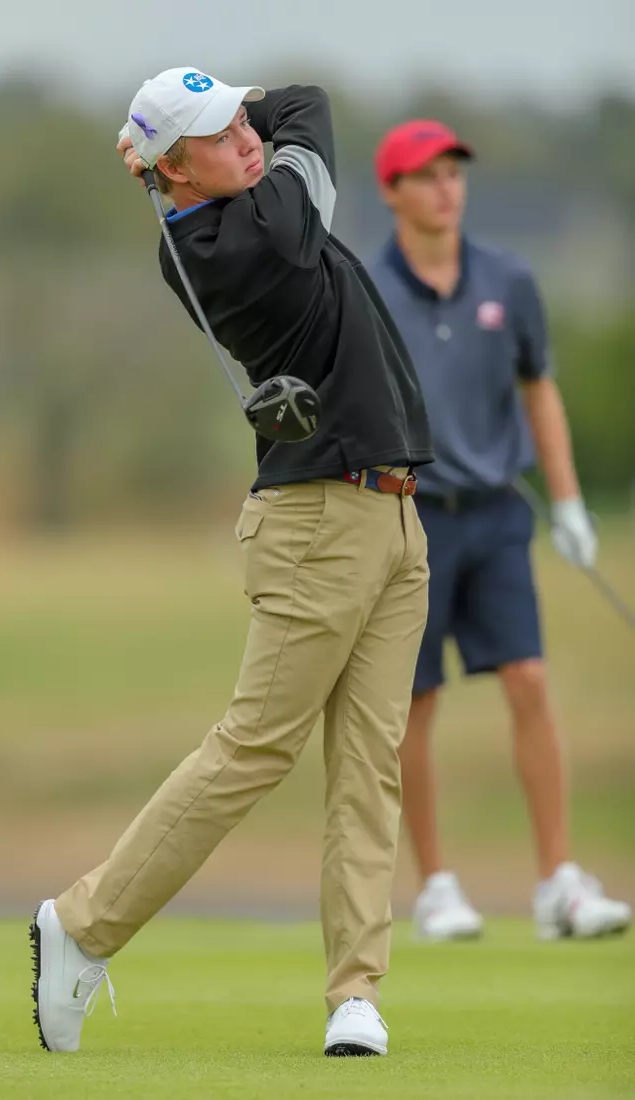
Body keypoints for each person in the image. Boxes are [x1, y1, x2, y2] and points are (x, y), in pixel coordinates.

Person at [29, 68, 433, 1057]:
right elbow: (312, 107)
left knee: (368, 767)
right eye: (216, 137)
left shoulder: (237, 203)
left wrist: (215, 113)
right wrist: (227, 122)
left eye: (237, 123)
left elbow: (286, 103)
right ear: (175, 171)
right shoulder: (246, 237)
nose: (247, 139)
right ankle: (80, 925)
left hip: (390, 514)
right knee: (254, 746)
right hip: (315, 524)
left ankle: (354, 994)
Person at [365, 119, 632, 943]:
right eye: (426, 175)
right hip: (407, 524)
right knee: (416, 702)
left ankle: (558, 881)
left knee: (527, 681)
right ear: (393, 193)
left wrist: (571, 503)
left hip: (496, 516)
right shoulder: (367, 287)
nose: (446, 187)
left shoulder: (507, 280)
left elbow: (537, 388)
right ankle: (437, 886)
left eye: (454, 172)